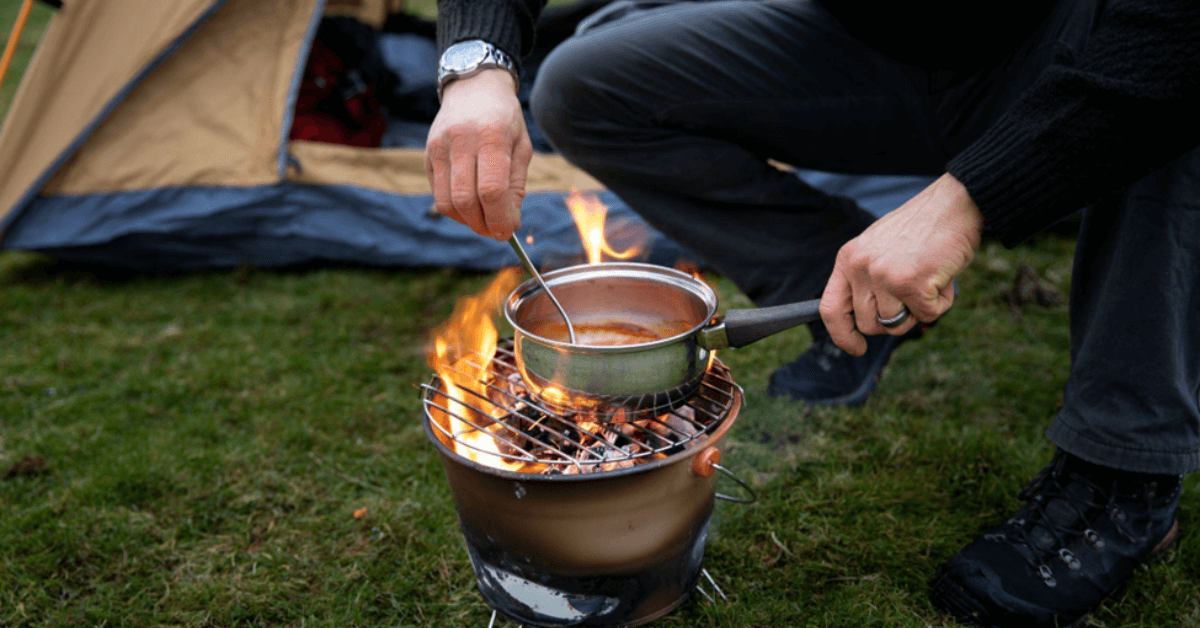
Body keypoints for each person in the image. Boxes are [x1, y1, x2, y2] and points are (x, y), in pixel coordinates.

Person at [425, 1, 1200, 626]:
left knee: (1174, 86)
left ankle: (1124, 468)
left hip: (1073, 45)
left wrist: (969, 200)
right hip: (870, 43)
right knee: (583, 82)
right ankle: (844, 295)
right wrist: (475, 67)